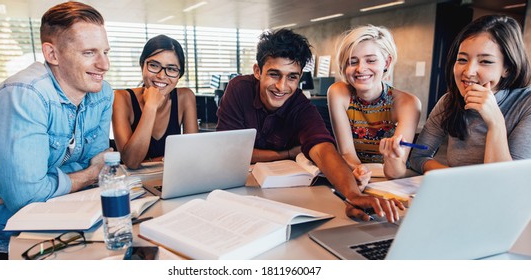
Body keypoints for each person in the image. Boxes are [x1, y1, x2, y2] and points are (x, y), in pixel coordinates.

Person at [0, 1, 113, 259]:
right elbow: (28, 198)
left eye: (106, 51)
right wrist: (86, 175)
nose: (104, 64)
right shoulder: (24, 94)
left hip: (50, 222)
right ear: (52, 54)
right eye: (89, 53)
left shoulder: (101, 93)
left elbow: (100, 165)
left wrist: (24, 184)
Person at [216, 29, 404, 223]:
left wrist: (353, 195)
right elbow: (229, 152)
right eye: (274, 74)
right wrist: (286, 154)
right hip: (237, 189)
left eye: (292, 77)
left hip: (281, 193)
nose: (282, 86)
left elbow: (323, 150)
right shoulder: (239, 89)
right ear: (257, 71)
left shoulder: (301, 106)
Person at [409, 15, 531, 173]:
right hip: (457, 193)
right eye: (462, 60)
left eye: (485, 61)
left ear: (508, 68)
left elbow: (505, 180)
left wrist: (495, 122)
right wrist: (453, 179)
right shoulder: (449, 101)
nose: (469, 72)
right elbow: (418, 157)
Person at [327, 25, 421, 181]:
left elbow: (396, 172)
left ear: (386, 62)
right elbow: (347, 154)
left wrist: (392, 158)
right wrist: (360, 172)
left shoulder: (408, 103)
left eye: (371, 60)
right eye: (352, 62)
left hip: (393, 181)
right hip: (356, 175)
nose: (361, 68)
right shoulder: (338, 93)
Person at [112, 35, 198, 169]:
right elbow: (131, 162)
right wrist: (151, 106)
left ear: (179, 74)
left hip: (173, 178)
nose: (161, 76)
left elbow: (192, 155)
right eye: (154, 65)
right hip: (135, 184)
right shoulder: (121, 98)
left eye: (171, 69)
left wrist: (151, 161)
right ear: (142, 65)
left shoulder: (185, 97)